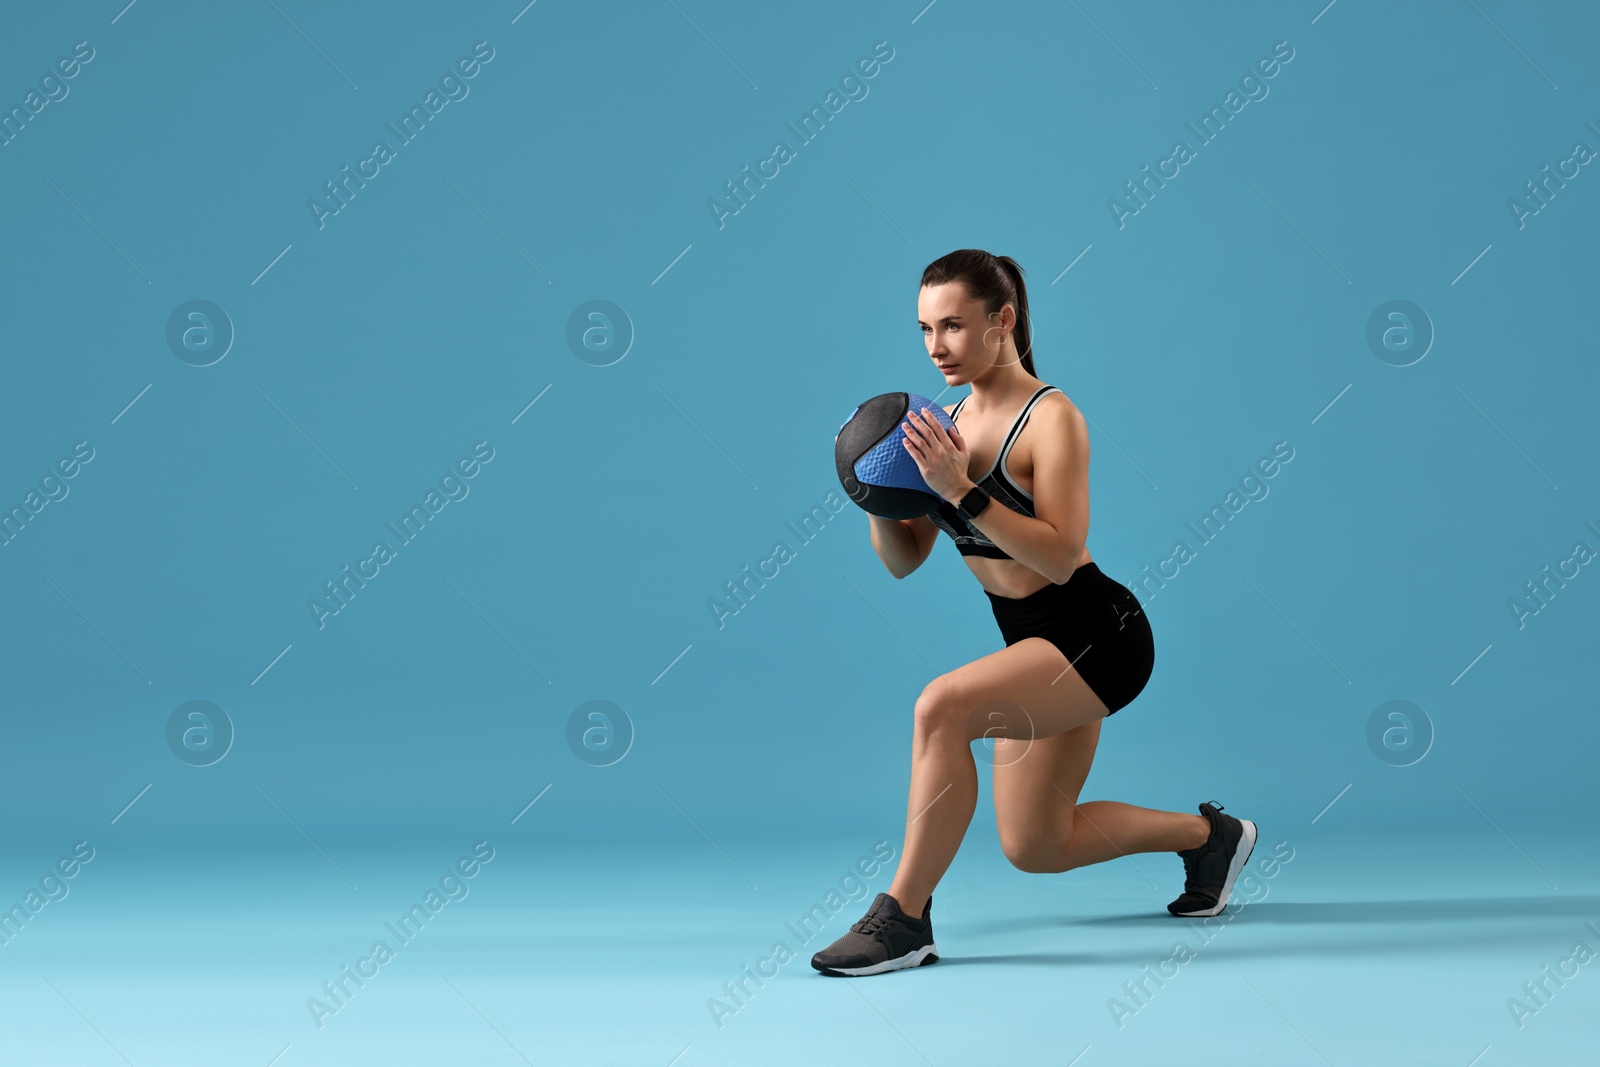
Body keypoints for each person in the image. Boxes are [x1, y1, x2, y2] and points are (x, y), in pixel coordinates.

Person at [812, 249, 1256, 977]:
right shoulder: (939, 421)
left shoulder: (1052, 419)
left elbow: (1058, 554)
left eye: (952, 325)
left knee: (941, 708)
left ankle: (903, 919)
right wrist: (874, 490)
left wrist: (959, 489)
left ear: (1004, 321)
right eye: (924, 328)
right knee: (1036, 844)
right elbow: (904, 560)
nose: (935, 347)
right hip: (1032, 645)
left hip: (1099, 633)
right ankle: (1211, 837)